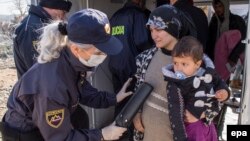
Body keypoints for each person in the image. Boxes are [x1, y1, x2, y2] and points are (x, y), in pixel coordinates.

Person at [0, 9, 133, 141]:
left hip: (44, 128)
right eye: (99, 52)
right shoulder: (52, 86)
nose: (104, 55)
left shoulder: (70, 61)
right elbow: (60, 139)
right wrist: (103, 135)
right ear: (76, 49)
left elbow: (83, 91)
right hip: (27, 134)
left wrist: (114, 98)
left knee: (80, 118)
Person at [132, 5, 194, 141]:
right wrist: (136, 114)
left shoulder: (193, 60)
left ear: (173, 27)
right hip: (147, 135)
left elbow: (212, 99)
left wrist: (199, 114)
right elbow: (138, 90)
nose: (154, 35)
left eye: (159, 29)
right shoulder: (145, 57)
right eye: (151, 29)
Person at [162, 36, 229, 141]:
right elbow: (175, 116)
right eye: (175, 63)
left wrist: (224, 92)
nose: (178, 68)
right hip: (192, 129)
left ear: (197, 64)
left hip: (209, 125)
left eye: (184, 64)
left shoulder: (208, 73)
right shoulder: (175, 84)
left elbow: (220, 82)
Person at [13, 0, 72, 79]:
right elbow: (36, 68)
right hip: (36, 88)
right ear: (54, 7)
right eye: (63, 12)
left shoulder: (40, 23)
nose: (63, 18)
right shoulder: (33, 27)